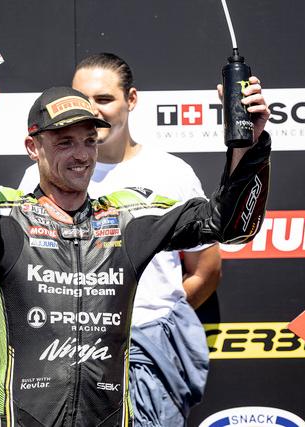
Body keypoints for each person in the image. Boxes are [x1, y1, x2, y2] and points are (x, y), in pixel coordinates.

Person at [0, 69, 271, 426]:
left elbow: (231, 225)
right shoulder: (3, 215)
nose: (82, 155)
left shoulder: (129, 216)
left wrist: (248, 145)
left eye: (89, 140)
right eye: (65, 142)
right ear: (32, 147)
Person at [18, 53, 222, 426]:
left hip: (147, 348)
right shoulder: (39, 176)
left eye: (104, 99)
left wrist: (153, 319)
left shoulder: (171, 173)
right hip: (63, 355)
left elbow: (205, 269)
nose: (91, 109)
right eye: (82, 98)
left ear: (131, 99)